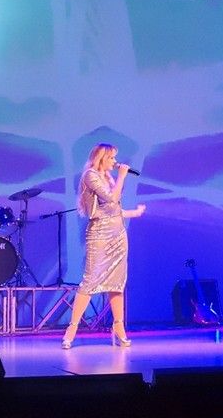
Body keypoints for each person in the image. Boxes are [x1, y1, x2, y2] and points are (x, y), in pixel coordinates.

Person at [61, 143, 146, 349]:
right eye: (111, 158)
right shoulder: (91, 175)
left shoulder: (108, 177)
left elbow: (113, 209)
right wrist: (123, 176)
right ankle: (71, 329)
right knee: (90, 281)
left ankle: (119, 327)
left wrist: (133, 213)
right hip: (100, 235)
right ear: (102, 158)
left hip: (118, 236)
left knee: (117, 282)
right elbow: (111, 198)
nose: (115, 162)